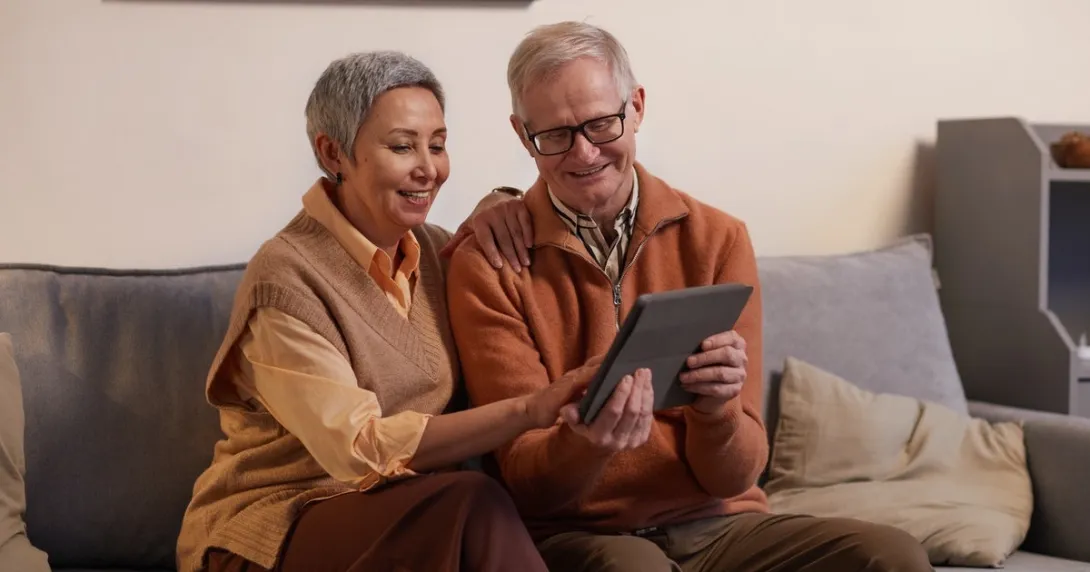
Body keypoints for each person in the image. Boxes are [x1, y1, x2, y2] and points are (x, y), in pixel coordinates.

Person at [445, 21, 934, 572]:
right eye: (555, 135)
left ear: (637, 107)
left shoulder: (719, 239)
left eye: (602, 124)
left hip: (719, 522)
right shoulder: (489, 263)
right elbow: (529, 483)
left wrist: (717, 409)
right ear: (521, 134)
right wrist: (590, 443)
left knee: (892, 557)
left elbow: (737, 475)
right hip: (578, 534)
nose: (584, 153)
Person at [175, 50, 588, 572]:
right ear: (333, 154)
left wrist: (506, 201)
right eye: (401, 146)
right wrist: (529, 410)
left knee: (468, 507)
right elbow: (358, 447)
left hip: (416, 516)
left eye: (437, 145)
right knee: (472, 502)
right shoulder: (284, 277)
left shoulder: (440, 254)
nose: (429, 169)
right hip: (273, 527)